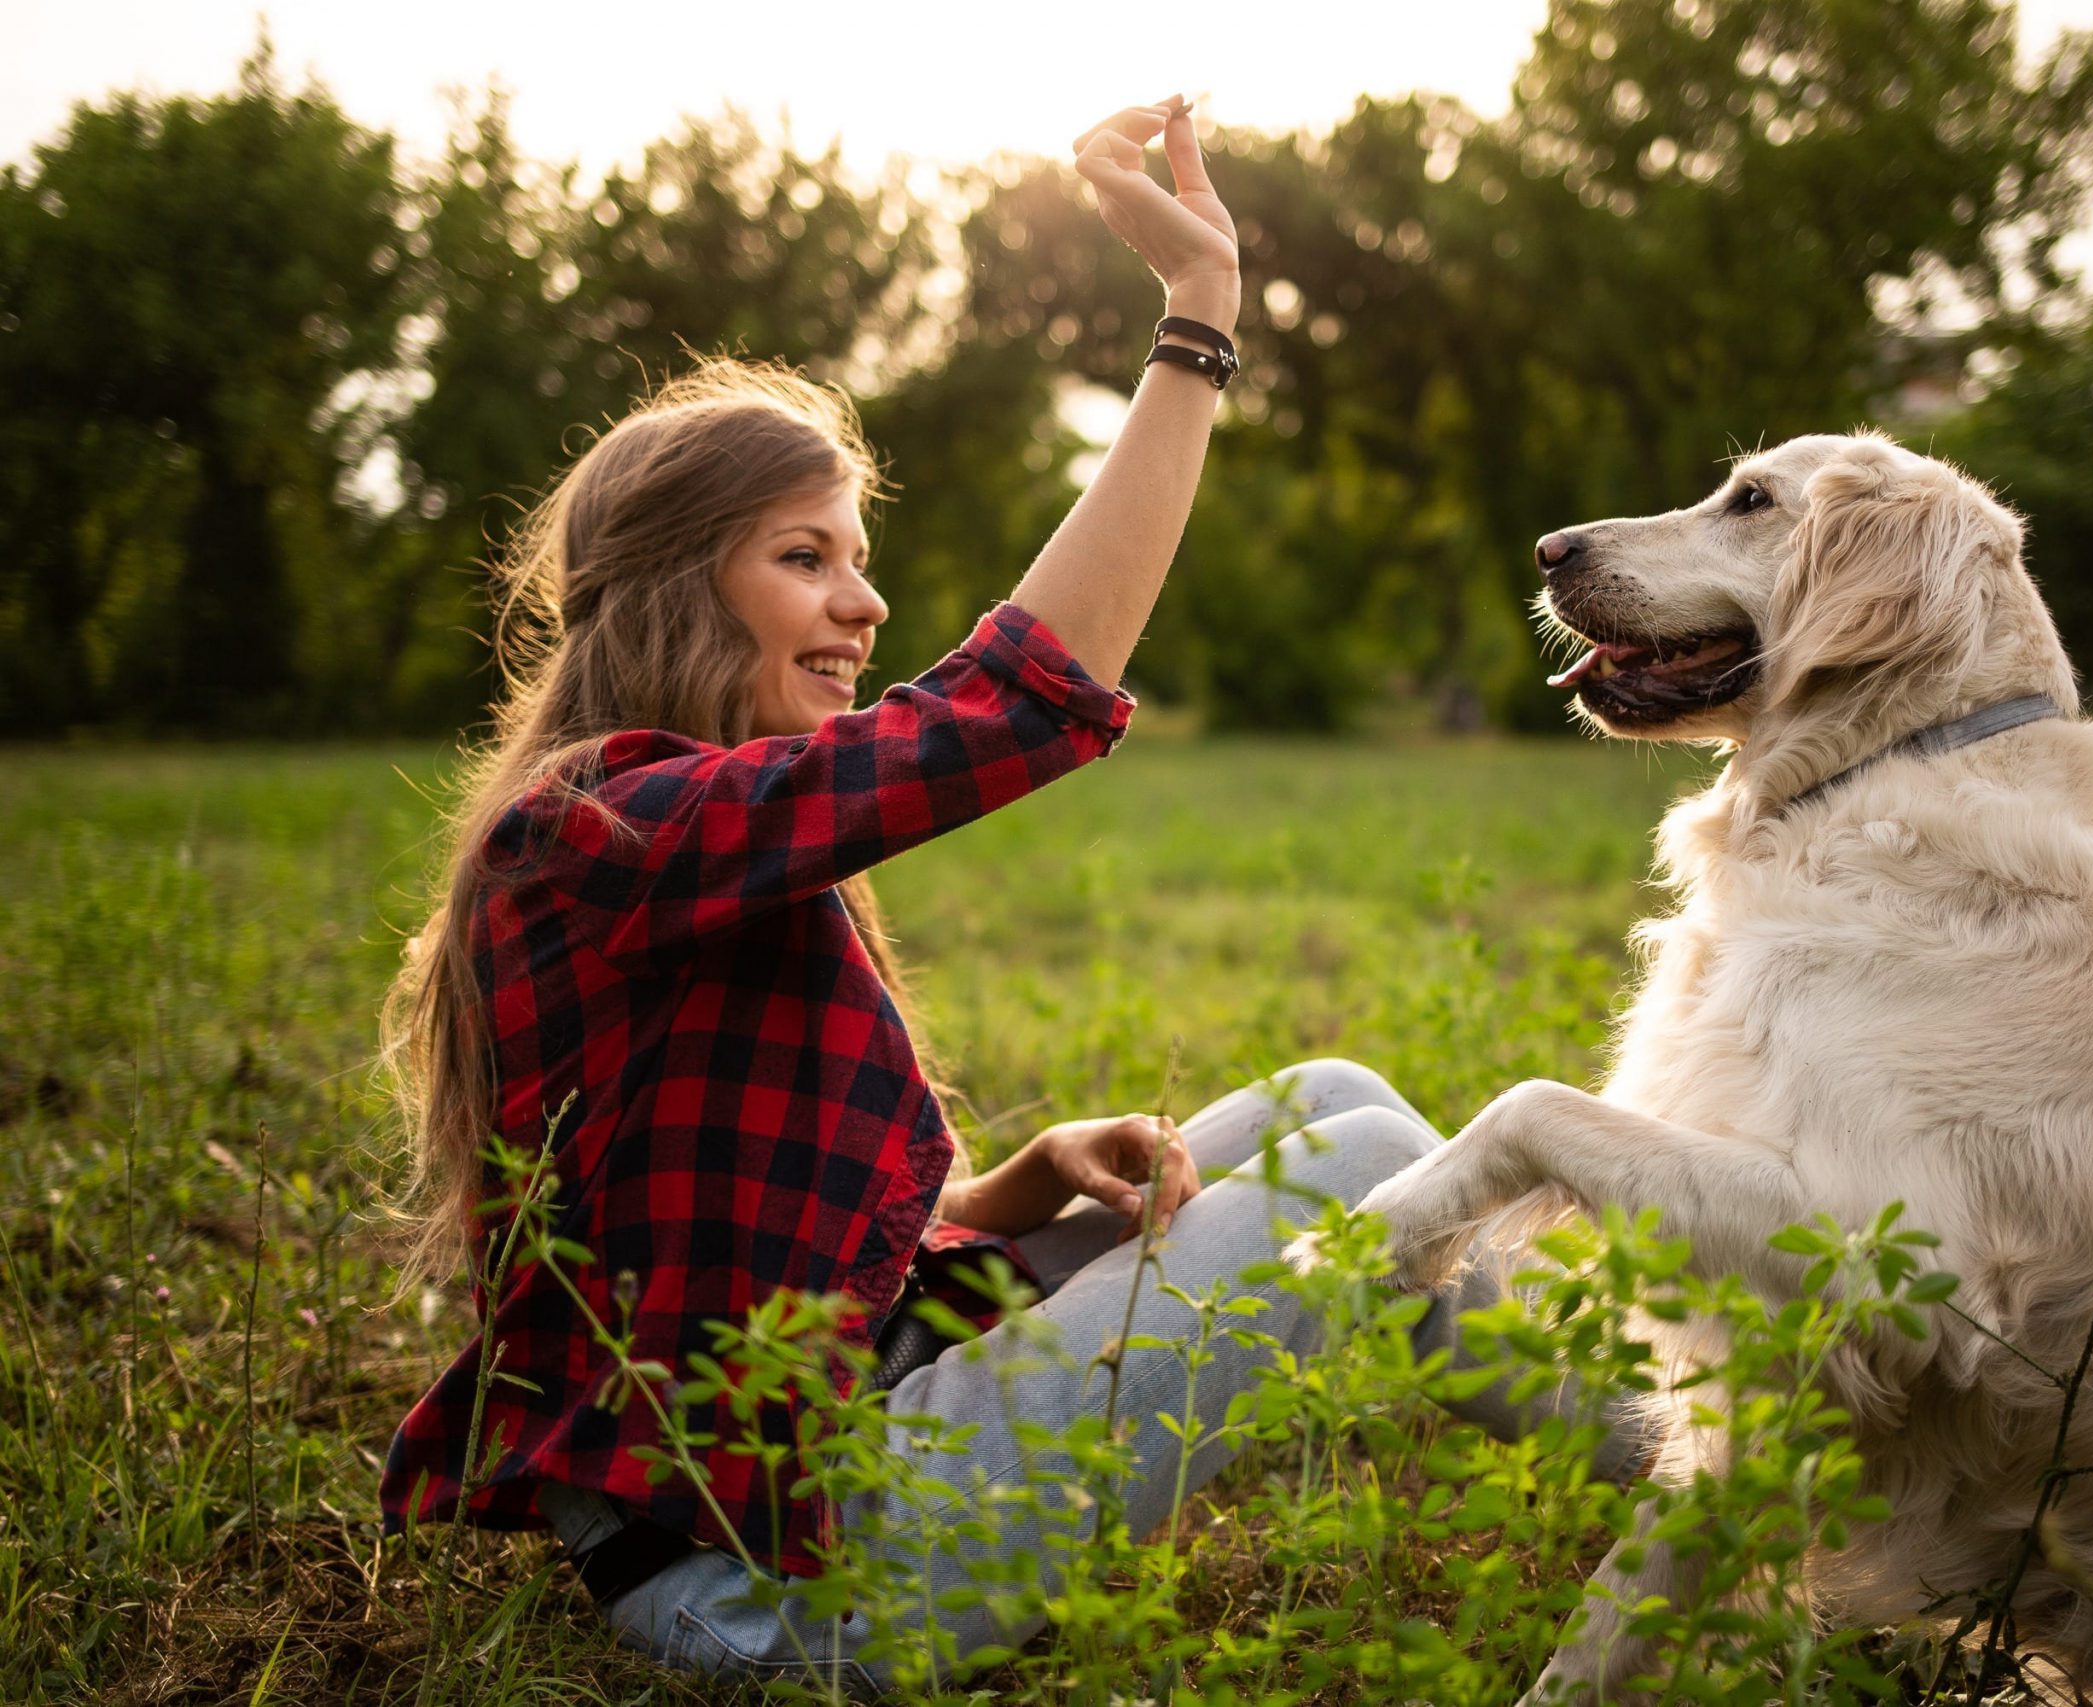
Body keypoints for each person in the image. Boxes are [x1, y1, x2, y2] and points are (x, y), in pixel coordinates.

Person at [378, 98, 1631, 1691]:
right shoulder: (600, 833)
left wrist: (1014, 1189)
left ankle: (1721, 1493)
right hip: (773, 1585)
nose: (864, 599)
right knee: (1361, 1176)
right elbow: (1016, 703)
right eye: (805, 558)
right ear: (681, 581)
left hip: (809, 1476)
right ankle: (1751, 1518)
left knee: (1342, 1108)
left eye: (857, 554)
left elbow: (735, 1273)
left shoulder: (667, 825)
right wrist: (1198, 324)